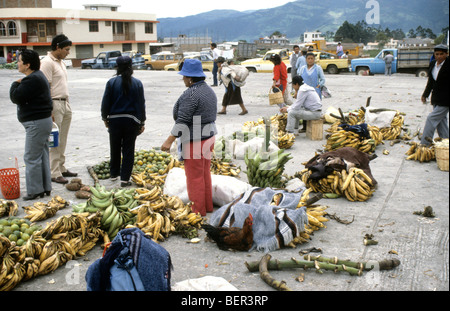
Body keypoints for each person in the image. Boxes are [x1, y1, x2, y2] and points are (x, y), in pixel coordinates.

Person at [161, 59, 217, 216]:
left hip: (195, 140)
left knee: (194, 178)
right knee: (204, 174)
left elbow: (183, 121)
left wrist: (168, 141)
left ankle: (197, 212)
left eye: (184, 76)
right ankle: (207, 206)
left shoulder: (191, 94)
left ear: (191, 78)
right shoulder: (208, 90)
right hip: (209, 136)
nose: (183, 79)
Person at [9, 49, 53, 200]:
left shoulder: (31, 79)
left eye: (20, 61)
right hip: (42, 122)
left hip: (36, 123)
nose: (17, 64)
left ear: (27, 65)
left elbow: (15, 97)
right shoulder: (37, 76)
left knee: (31, 157)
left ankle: (35, 191)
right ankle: (45, 187)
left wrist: (15, 82)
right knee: (41, 155)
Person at [101, 56, 146, 188]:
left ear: (117, 67)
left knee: (114, 147)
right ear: (131, 67)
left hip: (114, 121)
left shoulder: (111, 82)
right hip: (131, 122)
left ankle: (114, 174)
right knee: (128, 150)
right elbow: (141, 104)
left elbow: (105, 103)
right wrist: (141, 122)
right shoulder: (137, 83)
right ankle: (125, 179)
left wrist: (105, 118)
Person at [40, 34, 76, 184]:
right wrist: (49, 109)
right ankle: (54, 172)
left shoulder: (60, 62)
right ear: (57, 47)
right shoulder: (47, 63)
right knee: (54, 140)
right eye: (66, 49)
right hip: (54, 104)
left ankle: (61, 167)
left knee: (63, 138)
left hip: (64, 103)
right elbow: (44, 87)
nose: (68, 52)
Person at [420, 44, 449, 146]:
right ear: (434, 54)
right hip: (436, 98)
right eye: (437, 54)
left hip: (446, 100)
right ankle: (446, 143)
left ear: (447, 54)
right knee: (442, 122)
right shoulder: (432, 64)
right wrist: (425, 94)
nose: (439, 56)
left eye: (442, 54)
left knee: (431, 118)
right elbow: (431, 82)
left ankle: (424, 145)